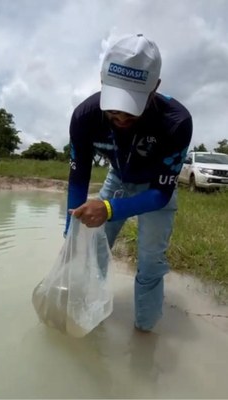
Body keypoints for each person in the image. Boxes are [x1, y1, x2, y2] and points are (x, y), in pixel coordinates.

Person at [64, 33, 193, 332]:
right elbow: (78, 177)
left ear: (155, 87)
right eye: (114, 104)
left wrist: (108, 209)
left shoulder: (176, 121)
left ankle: (144, 332)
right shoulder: (85, 116)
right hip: (118, 178)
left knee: (149, 264)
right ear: (102, 80)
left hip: (153, 189)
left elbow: (160, 195)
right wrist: (71, 232)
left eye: (130, 106)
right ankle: (90, 320)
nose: (120, 115)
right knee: (94, 256)